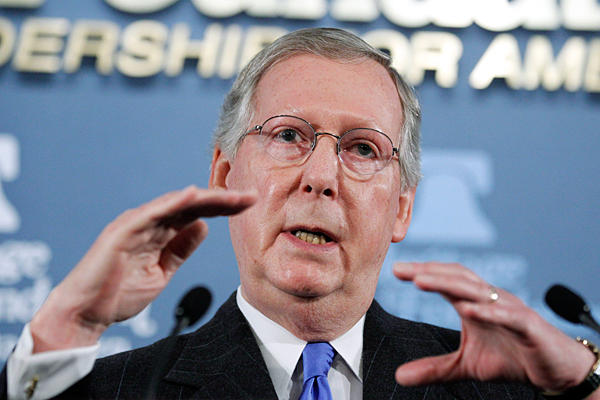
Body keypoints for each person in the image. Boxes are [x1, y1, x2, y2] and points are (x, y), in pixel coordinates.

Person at [2, 27, 599, 400]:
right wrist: (67, 327)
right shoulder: (123, 391)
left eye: (363, 148)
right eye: (289, 136)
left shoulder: (501, 389)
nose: (320, 177)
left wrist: (582, 380)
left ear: (402, 209)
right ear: (223, 175)